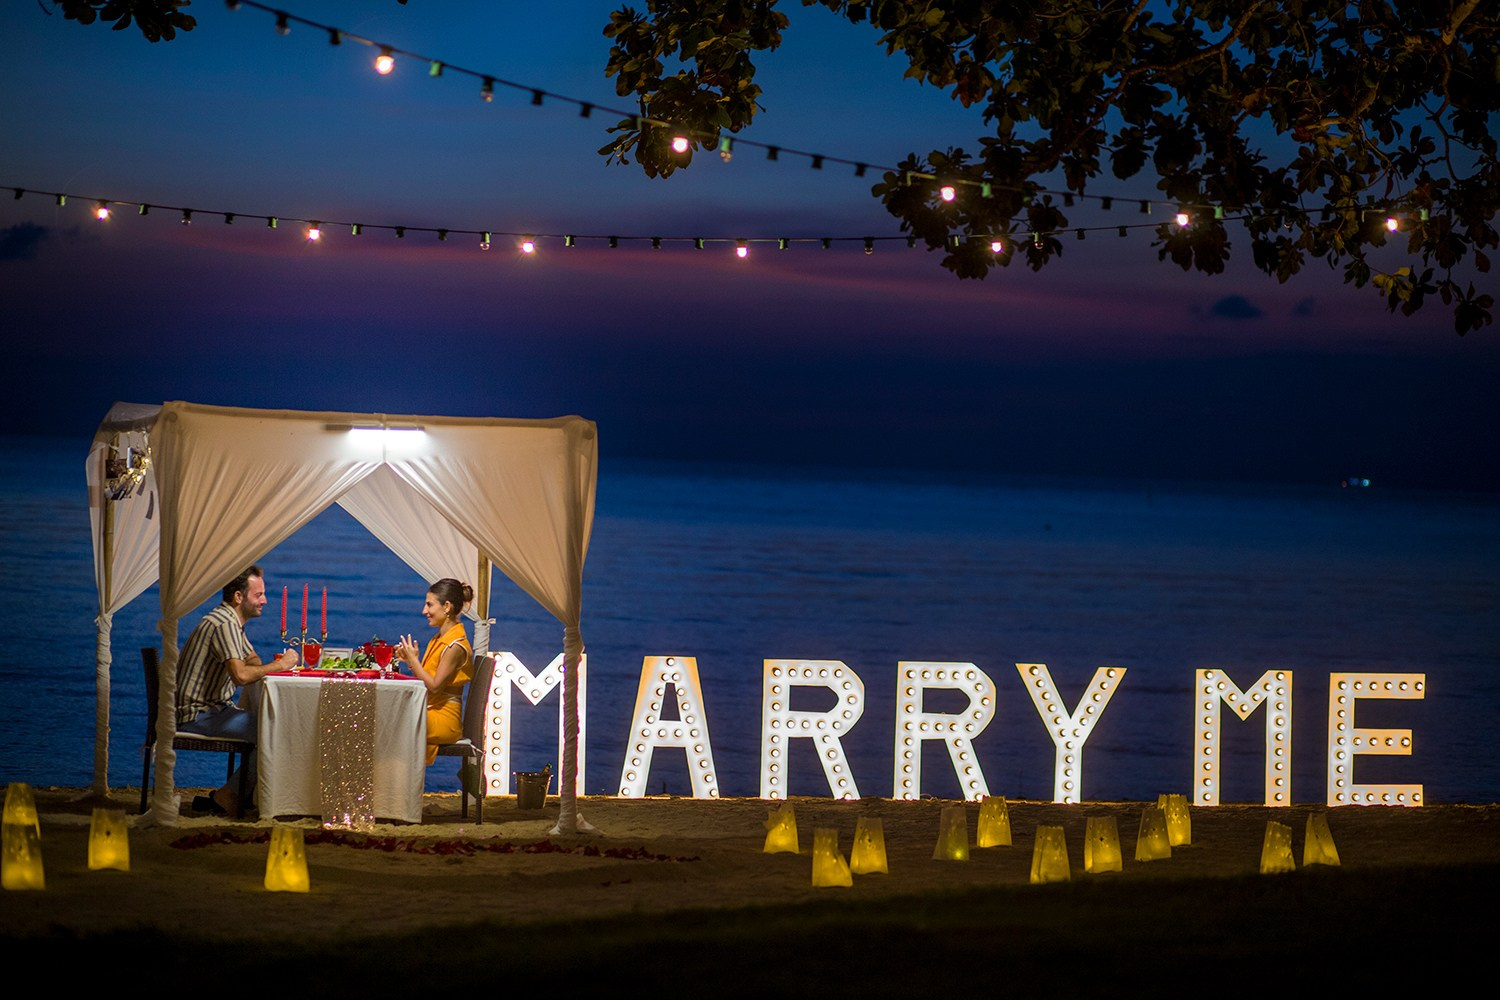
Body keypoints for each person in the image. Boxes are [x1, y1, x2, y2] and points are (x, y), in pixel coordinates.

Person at [175, 564, 299, 815]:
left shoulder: (231, 622)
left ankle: (235, 793)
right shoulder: (224, 624)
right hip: (198, 714)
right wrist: (280, 664)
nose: (264, 600)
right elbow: (241, 675)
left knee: (272, 726)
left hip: (212, 710)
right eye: (258, 595)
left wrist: (270, 666)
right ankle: (230, 795)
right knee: (276, 730)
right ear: (238, 597)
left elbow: (251, 660)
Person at [395, 578, 474, 766]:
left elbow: (435, 687)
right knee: (388, 717)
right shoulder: (438, 640)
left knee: (391, 722)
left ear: (446, 607)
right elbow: (428, 683)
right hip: (430, 711)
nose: (424, 611)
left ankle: (399, 785)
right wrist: (410, 661)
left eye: (429, 605)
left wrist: (414, 663)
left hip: (444, 720)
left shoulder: (455, 646)